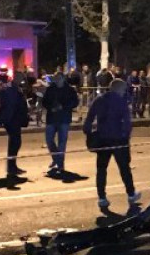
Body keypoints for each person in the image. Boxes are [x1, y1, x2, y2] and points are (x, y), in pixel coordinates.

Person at [83, 78, 141, 212]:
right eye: (124, 89)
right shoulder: (121, 102)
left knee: (101, 168)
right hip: (118, 139)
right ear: (119, 89)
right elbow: (127, 122)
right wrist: (126, 137)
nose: (124, 92)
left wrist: (89, 133)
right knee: (124, 168)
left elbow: (89, 118)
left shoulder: (99, 100)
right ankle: (131, 194)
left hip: (102, 138)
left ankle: (102, 197)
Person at [41, 70, 79, 177]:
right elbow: (44, 102)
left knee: (62, 142)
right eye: (55, 78)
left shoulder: (69, 89)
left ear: (63, 78)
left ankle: (60, 165)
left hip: (64, 119)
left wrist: (64, 107)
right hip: (52, 118)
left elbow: (75, 102)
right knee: (49, 140)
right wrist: (50, 107)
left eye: (58, 78)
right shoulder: (50, 89)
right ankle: (56, 158)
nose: (57, 80)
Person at [0, 70, 29, 177]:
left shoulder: (16, 87)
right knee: (15, 142)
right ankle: (11, 167)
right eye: (19, 77)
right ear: (15, 77)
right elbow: (8, 102)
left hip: (14, 118)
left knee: (15, 142)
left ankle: (12, 166)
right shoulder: (10, 87)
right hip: (11, 118)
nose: (21, 80)